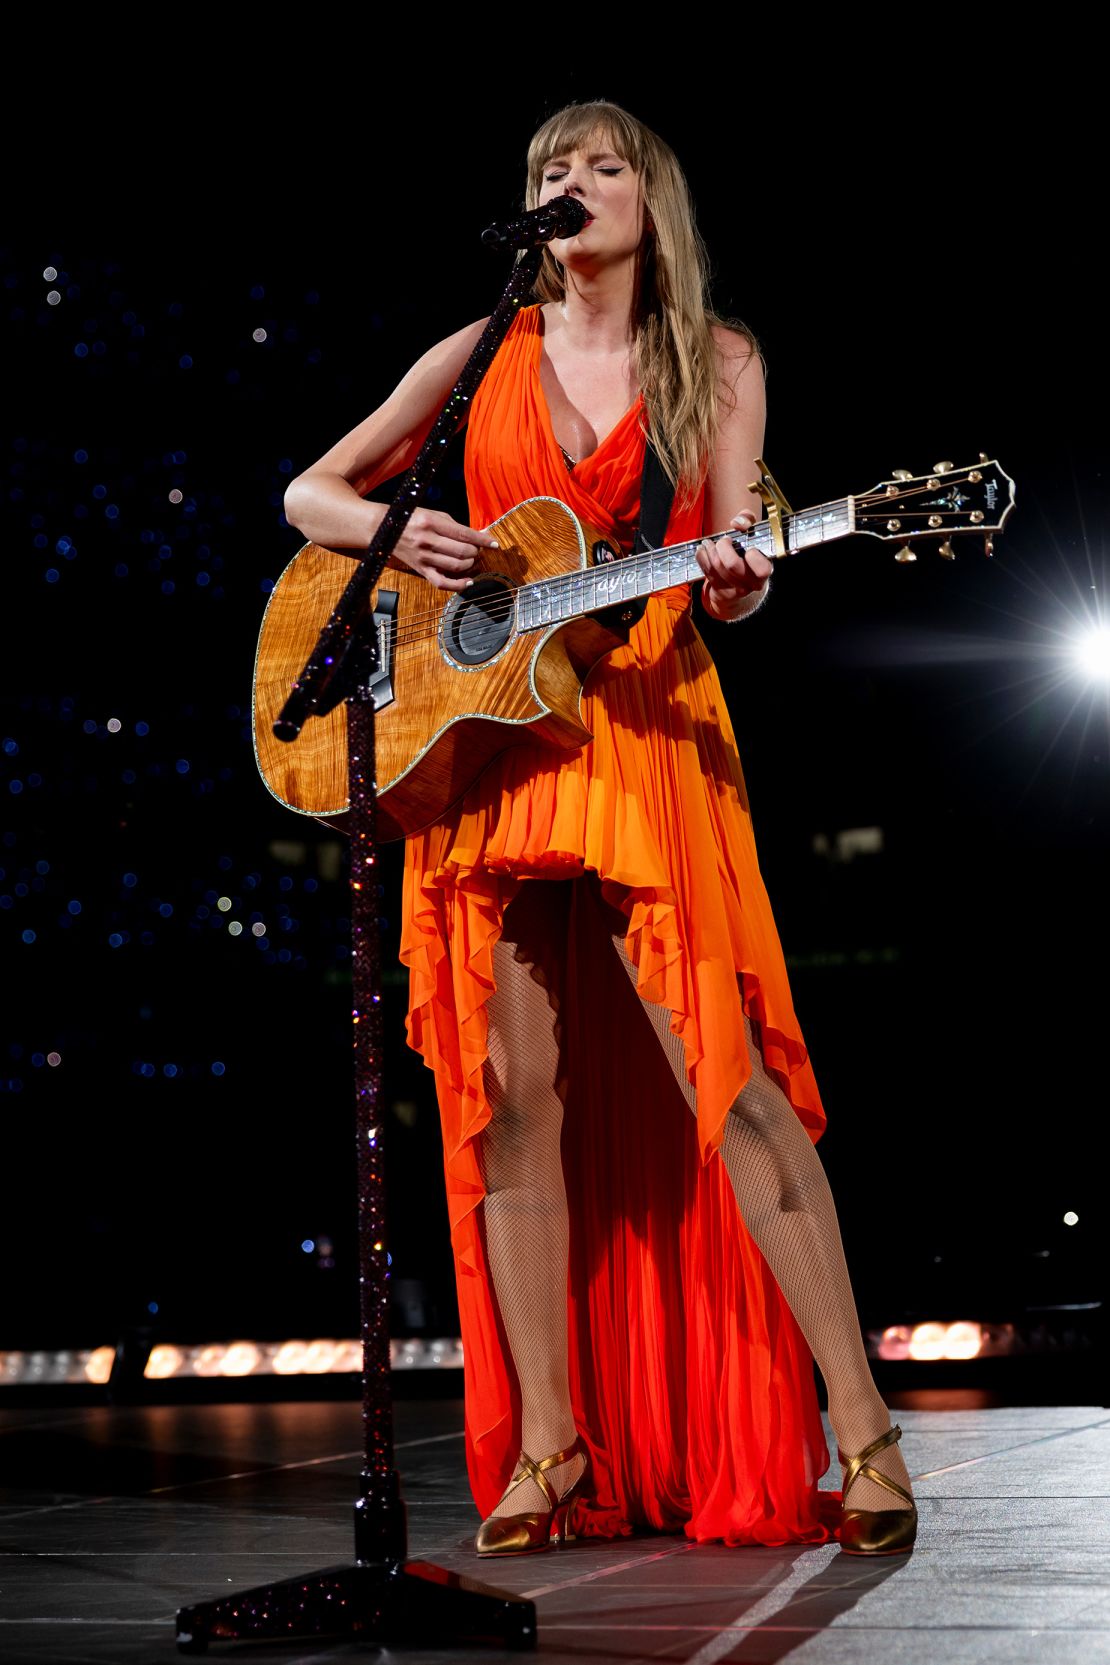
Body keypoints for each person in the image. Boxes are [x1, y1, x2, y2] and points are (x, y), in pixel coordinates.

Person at [282, 99, 917, 1558]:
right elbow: (308, 486)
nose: (572, 185)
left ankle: (861, 1430)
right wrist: (393, 533)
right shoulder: (475, 354)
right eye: (548, 170)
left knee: (727, 1075)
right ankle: (550, 1451)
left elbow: (728, 536)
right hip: (492, 742)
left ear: (654, 198)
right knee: (509, 1102)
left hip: (638, 722)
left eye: (602, 165)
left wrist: (748, 569)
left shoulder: (718, 357)